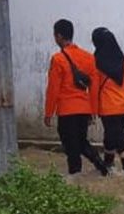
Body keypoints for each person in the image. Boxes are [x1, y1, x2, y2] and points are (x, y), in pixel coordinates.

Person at [44, 19, 108, 176]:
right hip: (83, 109)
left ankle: (75, 178)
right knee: (81, 141)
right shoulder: (88, 57)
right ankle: (101, 165)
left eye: (54, 35)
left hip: (67, 110)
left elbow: (53, 89)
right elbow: (93, 87)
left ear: (59, 36)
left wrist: (48, 113)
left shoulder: (58, 59)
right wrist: (92, 111)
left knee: (71, 147)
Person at [90, 27, 124, 173]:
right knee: (111, 136)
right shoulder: (123, 62)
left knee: (119, 139)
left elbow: (94, 90)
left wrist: (92, 110)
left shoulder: (96, 63)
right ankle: (107, 165)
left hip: (109, 108)